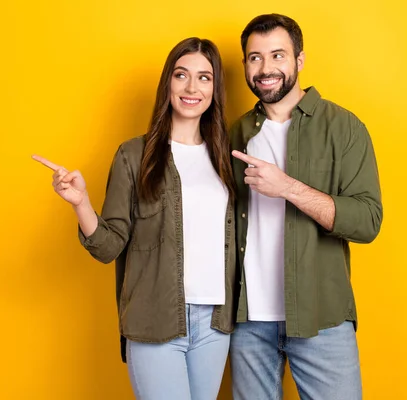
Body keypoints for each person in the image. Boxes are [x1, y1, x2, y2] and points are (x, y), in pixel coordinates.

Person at [33, 37, 237, 399]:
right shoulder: (134, 155)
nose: (192, 88)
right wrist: (81, 204)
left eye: (204, 78)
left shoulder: (227, 159)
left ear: (215, 88)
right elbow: (109, 245)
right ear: (168, 83)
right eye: (182, 75)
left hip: (215, 323)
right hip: (154, 318)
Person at [228, 14, 382, 400]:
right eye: (255, 58)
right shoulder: (233, 134)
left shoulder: (344, 127)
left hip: (322, 320)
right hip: (248, 324)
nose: (265, 69)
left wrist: (289, 188)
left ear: (299, 60)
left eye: (277, 55)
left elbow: (367, 221)